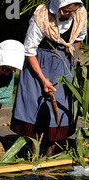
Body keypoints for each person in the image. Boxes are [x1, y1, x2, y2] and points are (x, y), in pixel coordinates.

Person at [10, 0, 87, 155]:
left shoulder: (79, 13)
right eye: (66, 11)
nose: (71, 15)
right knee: (36, 105)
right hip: (39, 62)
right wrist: (42, 78)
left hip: (63, 63)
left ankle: (50, 152)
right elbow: (29, 51)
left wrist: (72, 58)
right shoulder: (41, 16)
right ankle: (34, 151)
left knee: (58, 106)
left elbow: (79, 37)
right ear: (58, 7)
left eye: (73, 11)